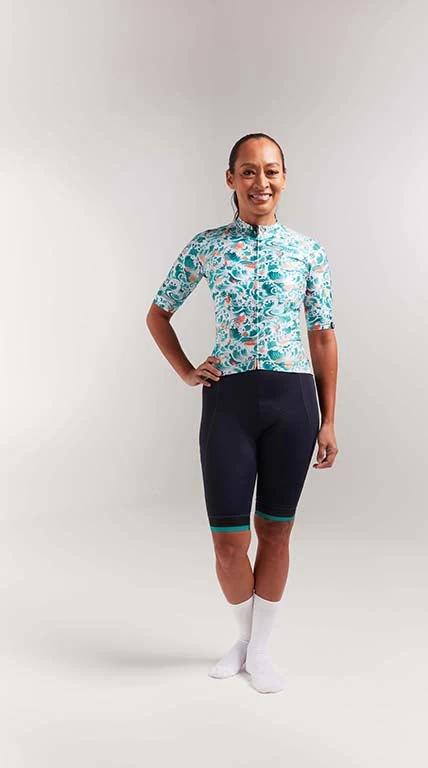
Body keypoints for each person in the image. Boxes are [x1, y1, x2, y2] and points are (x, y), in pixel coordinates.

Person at [146, 132, 339, 694]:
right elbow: (158, 314)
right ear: (230, 179)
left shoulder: (307, 252)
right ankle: (243, 639)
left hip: (293, 402)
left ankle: (260, 650)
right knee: (229, 542)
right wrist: (187, 371)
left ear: (285, 178)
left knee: (275, 533)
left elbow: (322, 336)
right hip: (228, 403)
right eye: (249, 171)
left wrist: (329, 419)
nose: (261, 182)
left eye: (271, 170)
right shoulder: (207, 246)